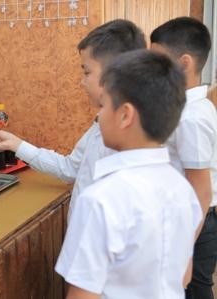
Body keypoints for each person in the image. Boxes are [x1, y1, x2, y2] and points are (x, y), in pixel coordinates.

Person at [55, 49, 202, 299]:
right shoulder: (183, 189)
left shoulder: (100, 199)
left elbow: (83, 295)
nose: (98, 114)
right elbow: (183, 274)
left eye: (103, 105)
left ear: (125, 115)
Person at [0, 19, 146, 215]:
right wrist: (17, 145)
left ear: (115, 75)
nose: (81, 82)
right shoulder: (101, 123)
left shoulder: (129, 139)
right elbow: (71, 168)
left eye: (87, 72)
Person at [150, 17, 217, 299]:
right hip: (187, 220)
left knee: (195, 289)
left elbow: (201, 190)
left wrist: (184, 247)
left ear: (185, 63)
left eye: (157, 61)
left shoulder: (192, 117)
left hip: (196, 225)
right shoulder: (186, 109)